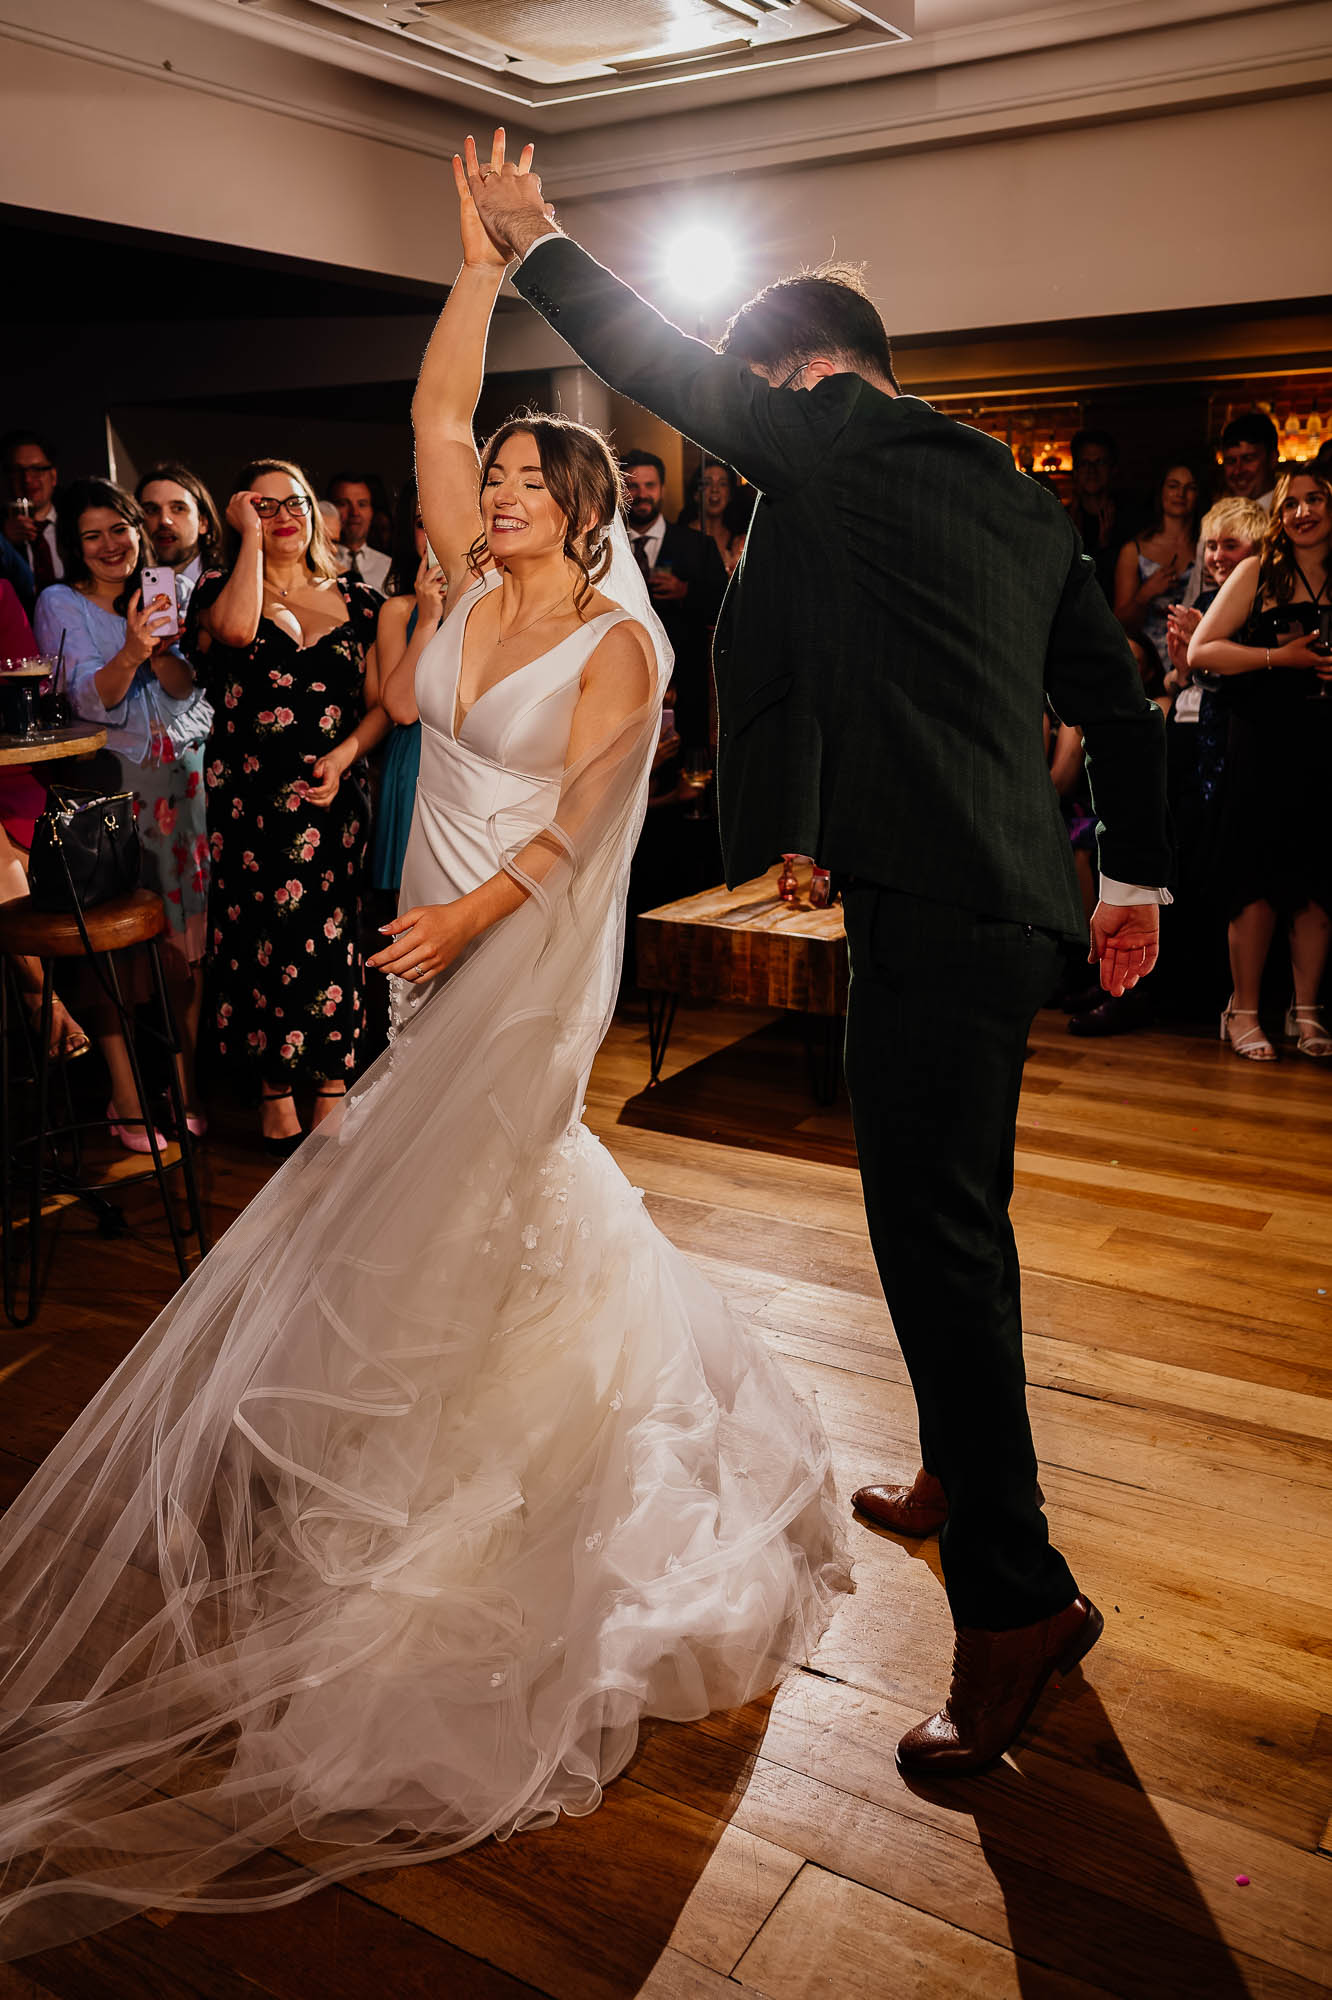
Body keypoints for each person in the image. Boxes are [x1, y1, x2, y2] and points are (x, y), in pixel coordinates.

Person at [0, 137, 846, 1961]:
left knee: (498, 1164)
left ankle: (500, 1478)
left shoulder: (619, 647)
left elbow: (589, 820)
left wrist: (475, 922)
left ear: (596, 507)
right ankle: (448, 1408)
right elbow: (439, 404)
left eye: (542, 478)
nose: (507, 488)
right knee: (443, 1188)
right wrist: (477, 266)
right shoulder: (456, 589)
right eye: (505, 476)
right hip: (419, 932)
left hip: (525, 946)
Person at [469, 126, 1170, 1776]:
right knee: (951, 1217)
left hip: (932, 911)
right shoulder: (1006, 486)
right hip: (1009, 907)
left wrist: (536, 238)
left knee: (939, 1245)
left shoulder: (827, 445)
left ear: (801, 373)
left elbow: (659, 357)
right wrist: (1130, 885)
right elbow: (1116, 698)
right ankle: (950, 1466)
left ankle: (1017, 1609)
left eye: (761, 391)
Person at [189, 459, 391, 1153]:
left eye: (294, 502)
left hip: (330, 798)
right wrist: (247, 542)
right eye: (263, 505)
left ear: (315, 513)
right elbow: (239, 634)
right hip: (246, 804)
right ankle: (274, 1087)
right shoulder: (218, 591)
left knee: (332, 935)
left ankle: (331, 1083)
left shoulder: (360, 602)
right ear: (242, 513)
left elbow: (379, 710)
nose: (283, 516)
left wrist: (343, 757)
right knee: (258, 939)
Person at [33, 479, 213, 1144]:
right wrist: (133, 649)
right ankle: (126, 1096)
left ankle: (185, 1087)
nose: (110, 544)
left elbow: (189, 685)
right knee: (115, 944)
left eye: (119, 528)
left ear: (139, 530)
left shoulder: (168, 589)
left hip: (182, 779)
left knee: (186, 946)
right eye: (92, 534)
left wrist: (162, 651)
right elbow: (86, 699)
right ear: (74, 547)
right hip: (109, 782)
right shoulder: (59, 603)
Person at [1188, 468, 1332, 1061]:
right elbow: (1203, 651)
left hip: (1323, 742)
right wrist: (1281, 657)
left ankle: (1307, 1012)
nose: (1302, 513)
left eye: (1315, 500)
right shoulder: (1259, 572)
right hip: (1265, 739)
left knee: (1318, 879)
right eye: (1291, 504)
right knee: (1256, 880)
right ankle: (1242, 1012)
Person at [622, 448, 727, 753]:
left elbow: (724, 607)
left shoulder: (697, 546)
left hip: (686, 686)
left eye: (650, 486)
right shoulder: (602, 547)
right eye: (633, 485)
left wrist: (686, 592)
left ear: (662, 489)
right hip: (623, 686)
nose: (641, 494)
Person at [372, 477, 444, 897]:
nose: (434, 532)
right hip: (415, 761)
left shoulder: (499, 602)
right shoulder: (397, 611)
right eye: (422, 522)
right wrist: (429, 619)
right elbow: (400, 708)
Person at [1112, 458, 1200, 686]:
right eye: (1173, 486)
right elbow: (1118, 623)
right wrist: (1146, 593)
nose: (1181, 493)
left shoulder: (1209, 548)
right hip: (1147, 661)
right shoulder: (1135, 550)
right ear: (1160, 491)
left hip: (1197, 652)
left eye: (1190, 487)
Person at [135, 462, 223, 612]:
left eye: (178, 508)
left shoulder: (229, 586)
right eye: (151, 510)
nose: (164, 520)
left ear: (203, 522)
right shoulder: (128, 596)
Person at [1, 430, 63, 594]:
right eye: (17, 470)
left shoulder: (77, 522)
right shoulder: (2, 535)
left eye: (37, 469)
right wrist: (5, 540)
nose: (27, 479)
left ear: (53, 476)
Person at [1066, 428, 1121, 596]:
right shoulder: (1063, 519)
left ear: (1113, 470)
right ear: (1075, 470)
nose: (1091, 470)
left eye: (1100, 462)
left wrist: (1105, 545)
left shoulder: (1128, 517)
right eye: (1084, 463)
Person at [679, 458, 752, 575]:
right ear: (696, 494)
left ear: (730, 494)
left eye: (722, 484)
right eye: (707, 483)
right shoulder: (680, 536)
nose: (714, 489)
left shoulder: (739, 542)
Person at [327, 471, 392, 593]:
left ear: (372, 512)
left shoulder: (390, 568)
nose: (354, 513)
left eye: (362, 504)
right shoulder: (315, 566)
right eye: (343, 504)